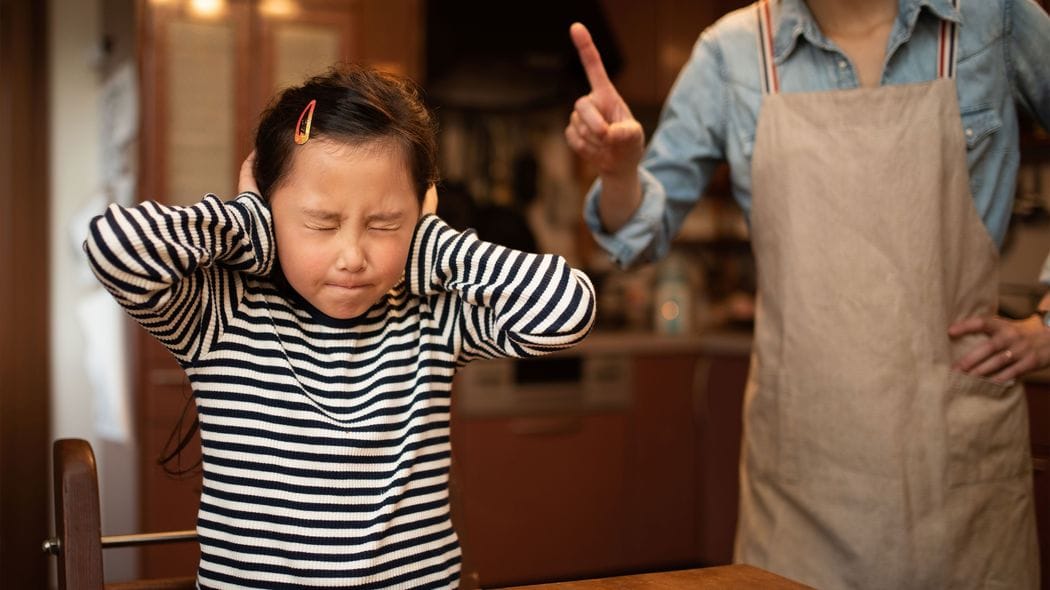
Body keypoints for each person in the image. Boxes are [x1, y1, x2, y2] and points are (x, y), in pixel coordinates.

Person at [565, 0, 1050, 587]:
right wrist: (619, 174)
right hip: (802, 473)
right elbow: (636, 237)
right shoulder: (732, 52)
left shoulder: (992, 20)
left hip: (956, 470)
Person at [85, 65, 595, 589]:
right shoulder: (222, 314)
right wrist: (248, 223)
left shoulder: (428, 316)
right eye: (321, 224)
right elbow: (114, 247)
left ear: (419, 213)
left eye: (384, 224)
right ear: (267, 206)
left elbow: (566, 311)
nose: (352, 256)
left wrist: (427, 244)